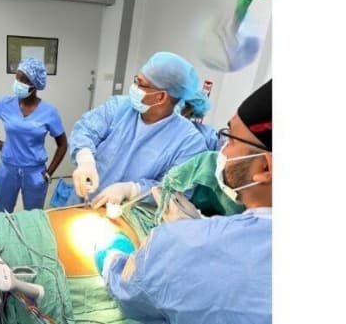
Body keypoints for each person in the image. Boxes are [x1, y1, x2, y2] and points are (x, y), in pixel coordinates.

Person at [97, 79, 272, 324]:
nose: (222, 151)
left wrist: (112, 259)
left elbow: (133, 292)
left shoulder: (185, 246)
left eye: (231, 139)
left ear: (265, 167)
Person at [69, 52, 208, 208]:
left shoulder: (189, 142)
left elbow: (176, 191)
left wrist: (131, 190)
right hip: (83, 201)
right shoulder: (119, 107)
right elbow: (86, 129)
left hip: (127, 218)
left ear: (161, 97)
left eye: (140, 83)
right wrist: (85, 158)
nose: (134, 87)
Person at [0, 58, 68, 213]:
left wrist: (49, 173)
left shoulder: (50, 112)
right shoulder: (5, 104)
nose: (18, 83)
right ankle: (1, 237)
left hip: (35, 172)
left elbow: (63, 144)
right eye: (17, 77)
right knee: (1, 212)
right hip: (8, 169)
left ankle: (30, 238)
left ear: (35, 84)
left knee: (33, 215)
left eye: (24, 80)